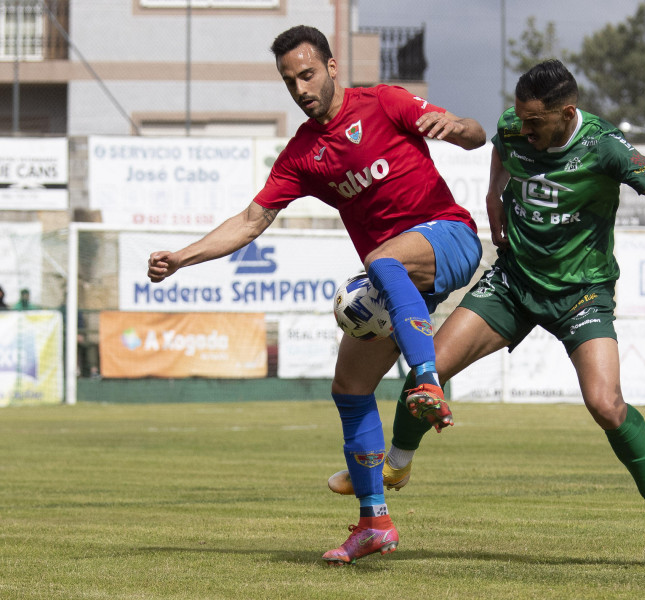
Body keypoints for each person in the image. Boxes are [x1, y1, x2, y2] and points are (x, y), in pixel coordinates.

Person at [330, 59, 645, 570]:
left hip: (580, 293)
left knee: (606, 405)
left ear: (566, 113)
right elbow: (499, 152)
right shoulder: (515, 127)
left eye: (534, 122)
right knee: (429, 369)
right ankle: (397, 464)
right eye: (518, 117)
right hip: (513, 282)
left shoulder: (604, 146)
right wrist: (493, 195)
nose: (520, 128)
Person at [146, 24, 486, 565]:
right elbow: (251, 219)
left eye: (307, 74)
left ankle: (426, 381)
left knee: (381, 259)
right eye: (290, 81)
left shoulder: (385, 102)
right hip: (393, 278)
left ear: (331, 67)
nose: (301, 88)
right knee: (350, 388)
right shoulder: (303, 153)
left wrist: (458, 127)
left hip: (449, 236)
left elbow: (477, 135)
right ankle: (375, 522)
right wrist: (182, 257)